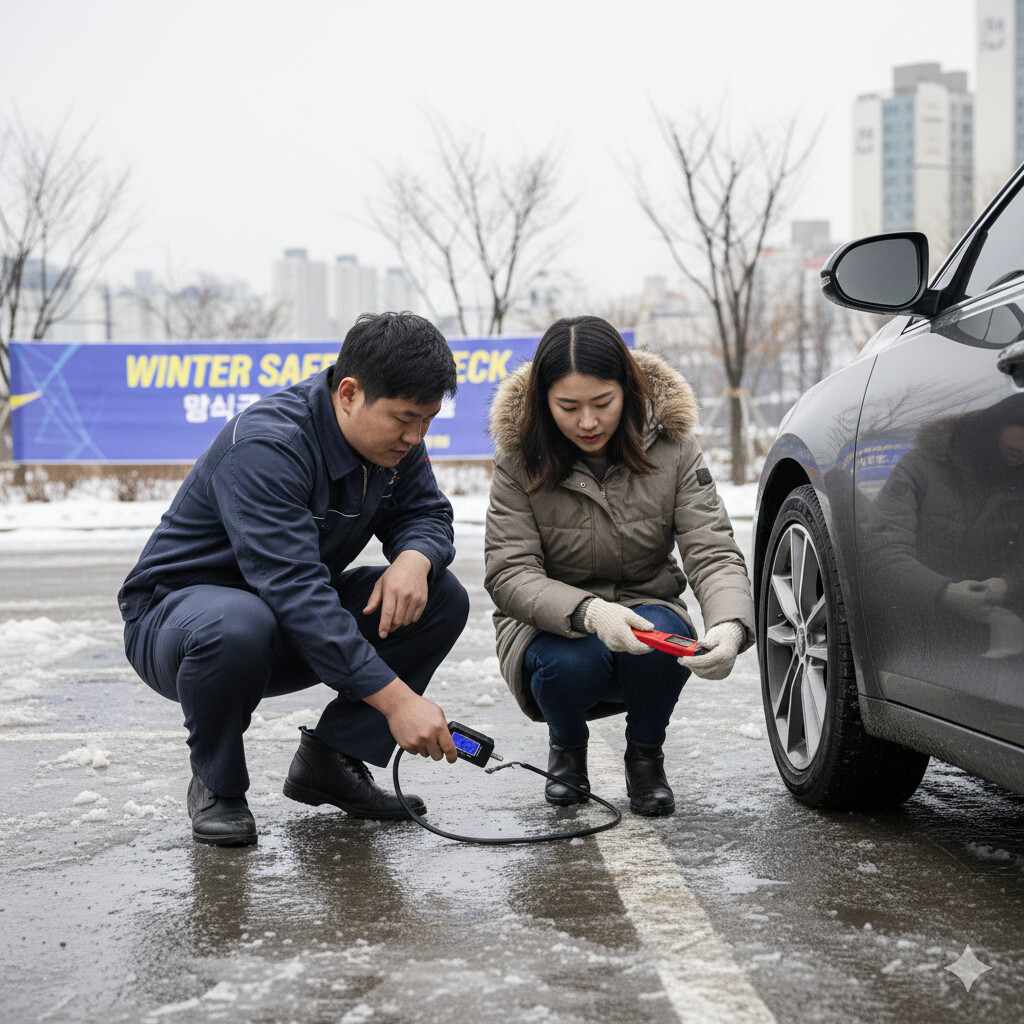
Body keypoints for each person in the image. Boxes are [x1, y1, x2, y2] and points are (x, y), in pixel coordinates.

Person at [119, 312, 469, 847]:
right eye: (405, 419)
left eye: (427, 420)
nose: (416, 435)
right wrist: (398, 703)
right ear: (349, 393)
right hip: (179, 626)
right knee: (239, 621)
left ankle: (332, 761)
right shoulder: (268, 446)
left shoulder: (395, 442)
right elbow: (296, 592)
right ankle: (218, 785)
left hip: (278, 621)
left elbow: (427, 514)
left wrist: (416, 558)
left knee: (440, 596)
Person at [484, 315, 754, 817]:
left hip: (646, 602)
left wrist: (731, 625)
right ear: (544, 403)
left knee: (662, 646)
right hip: (551, 626)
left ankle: (646, 756)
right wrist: (589, 612)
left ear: (628, 391)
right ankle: (567, 749)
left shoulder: (673, 447)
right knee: (572, 663)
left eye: (602, 403)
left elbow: (711, 547)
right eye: (568, 407)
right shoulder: (517, 459)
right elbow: (509, 573)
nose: (588, 422)